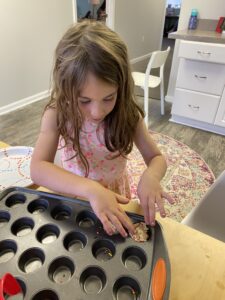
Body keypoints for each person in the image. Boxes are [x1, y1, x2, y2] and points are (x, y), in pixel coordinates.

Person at [30, 20, 174, 238]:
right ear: (65, 88)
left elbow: (156, 157)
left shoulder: (128, 114)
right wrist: (91, 189)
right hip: (74, 192)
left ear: (121, 86)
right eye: (84, 101)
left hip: (114, 195)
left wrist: (151, 176)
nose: (97, 112)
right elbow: (38, 168)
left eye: (109, 98)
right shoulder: (57, 114)